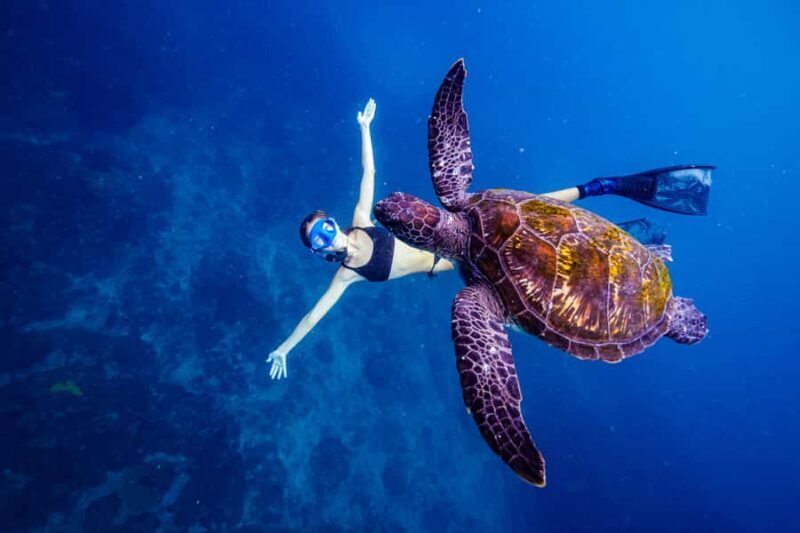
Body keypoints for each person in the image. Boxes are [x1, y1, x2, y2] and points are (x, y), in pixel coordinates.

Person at [267, 99, 713, 380]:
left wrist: (364, 128)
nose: (329, 234)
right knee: (517, 230)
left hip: (468, 251)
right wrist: (285, 349)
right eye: (319, 238)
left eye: (326, 225)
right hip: (450, 263)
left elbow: (369, 173)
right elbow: (312, 316)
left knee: (534, 212)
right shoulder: (347, 275)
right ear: (319, 251)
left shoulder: (361, 221)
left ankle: (602, 193)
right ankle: (649, 285)